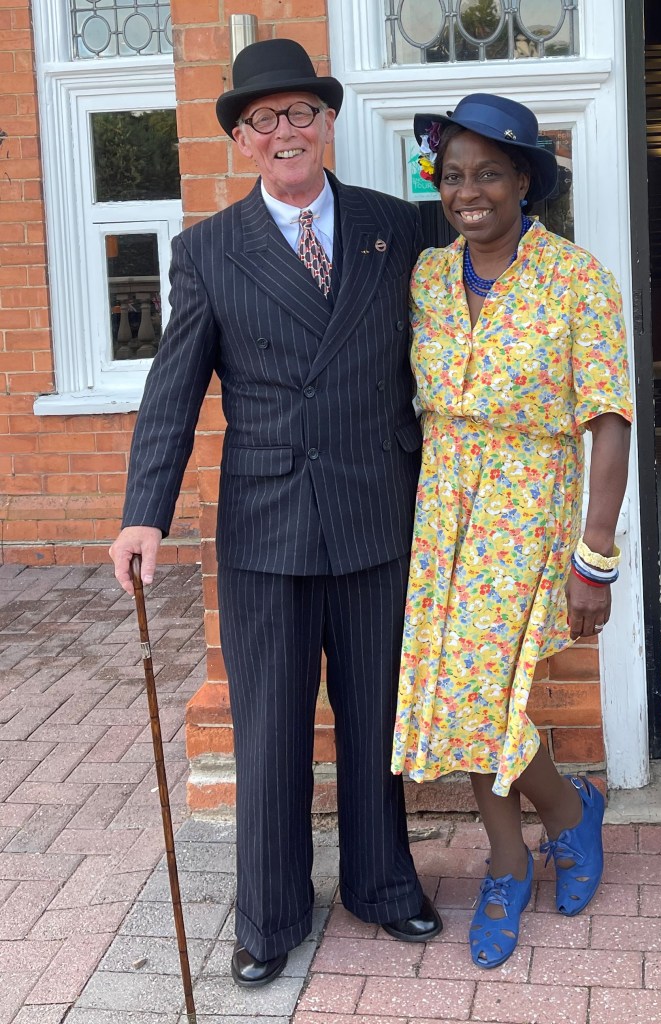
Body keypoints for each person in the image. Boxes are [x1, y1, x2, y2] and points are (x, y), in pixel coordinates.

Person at [109, 38, 442, 989]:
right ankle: (269, 912)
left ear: (327, 122)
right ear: (242, 140)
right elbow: (173, 391)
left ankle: (382, 884)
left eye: (300, 112)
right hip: (267, 525)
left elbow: (465, 309)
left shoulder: (397, 226)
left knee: (375, 718)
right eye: (264, 118)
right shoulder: (208, 251)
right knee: (270, 730)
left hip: (377, 511)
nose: (285, 131)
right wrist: (144, 513)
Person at [391, 94, 633, 969]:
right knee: (465, 696)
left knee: (477, 695)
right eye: (454, 175)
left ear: (525, 181)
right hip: (442, 510)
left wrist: (594, 558)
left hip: (528, 508)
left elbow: (609, 418)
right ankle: (555, 823)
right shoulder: (425, 277)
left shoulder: (576, 278)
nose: (469, 192)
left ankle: (530, 844)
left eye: (489, 173)